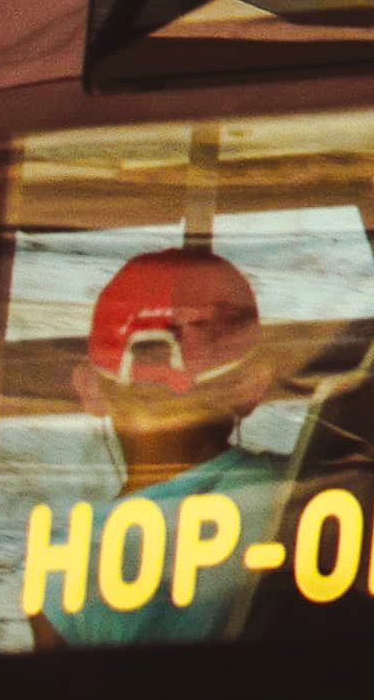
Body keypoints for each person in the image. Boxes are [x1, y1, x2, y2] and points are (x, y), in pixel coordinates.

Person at [52, 248, 293, 643]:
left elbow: (60, 698)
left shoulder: (63, 563)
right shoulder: (310, 496)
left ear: (89, 388)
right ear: (253, 385)